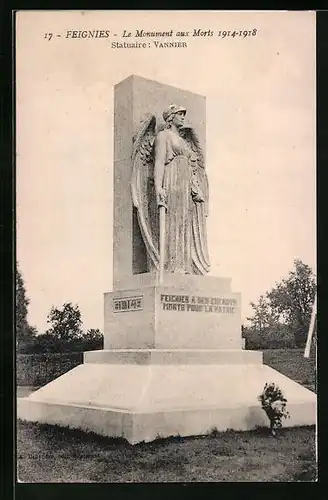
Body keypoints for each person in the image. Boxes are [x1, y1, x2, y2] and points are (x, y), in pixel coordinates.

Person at [153, 104, 210, 275]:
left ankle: (184, 265)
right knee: (174, 220)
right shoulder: (164, 136)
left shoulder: (185, 141)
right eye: (180, 114)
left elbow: (198, 163)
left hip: (186, 185)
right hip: (172, 179)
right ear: (171, 117)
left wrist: (195, 187)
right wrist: (158, 187)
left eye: (184, 114)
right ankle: (172, 265)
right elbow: (159, 162)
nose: (183, 117)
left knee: (185, 222)